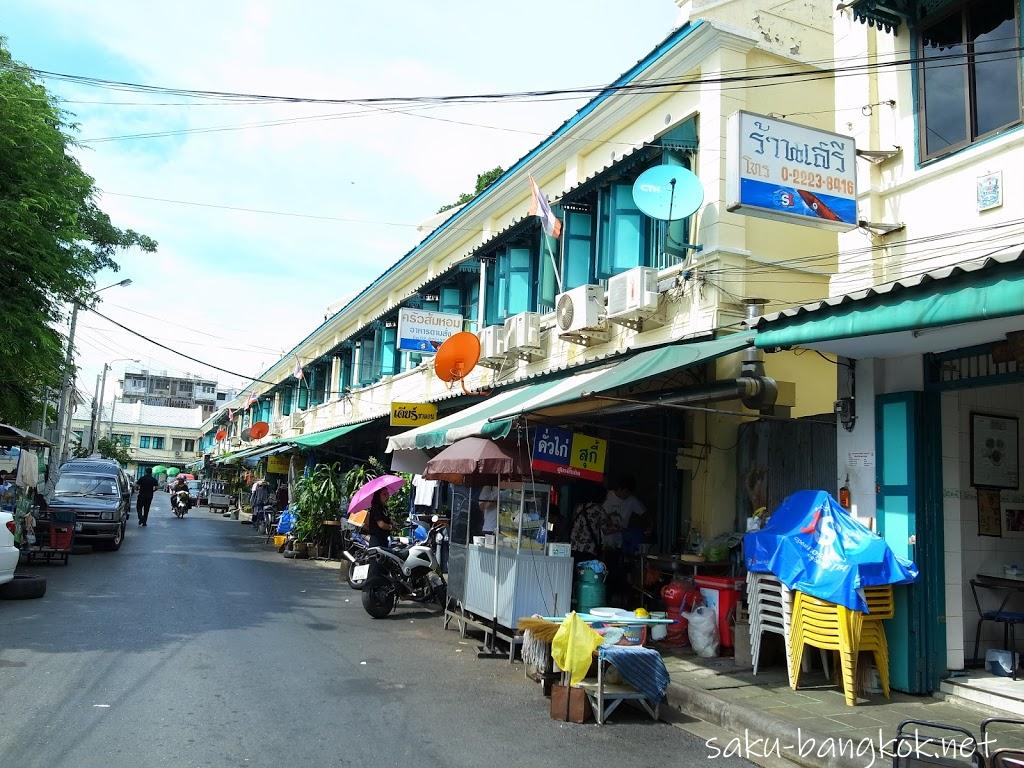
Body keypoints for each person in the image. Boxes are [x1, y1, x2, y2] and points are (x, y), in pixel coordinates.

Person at [601, 474, 647, 604]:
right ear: (620, 489)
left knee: (617, 575)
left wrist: (649, 527)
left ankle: (616, 602)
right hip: (603, 544)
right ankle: (606, 600)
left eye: (629, 493)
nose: (626, 496)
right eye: (625, 492)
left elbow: (644, 514)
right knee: (605, 575)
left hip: (619, 546)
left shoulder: (631, 500)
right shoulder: (607, 497)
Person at [570, 482, 605, 562]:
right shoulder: (599, 509)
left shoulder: (579, 507)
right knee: (586, 571)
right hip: (589, 547)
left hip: (574, 545)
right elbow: (606, 528)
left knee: (575, 570)